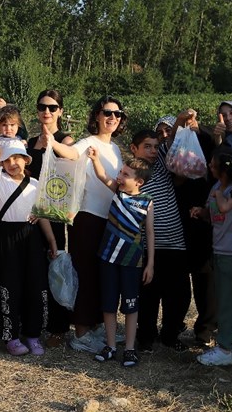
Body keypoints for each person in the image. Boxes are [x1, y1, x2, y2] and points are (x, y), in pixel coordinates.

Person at [49, 95, 128, 354]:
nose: (112, 118)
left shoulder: (115, 148)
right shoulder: (89, 142)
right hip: (87, 217)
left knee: (99, 275)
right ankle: (80, 333)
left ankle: (93, 326)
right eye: (107, 113)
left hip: (109, 220)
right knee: (85, 272)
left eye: (117, 114)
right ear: (96, 115)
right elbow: (71, 153)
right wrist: (52, 140)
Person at [85, 149, 155, 368]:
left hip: (132, 262)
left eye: (126, 175)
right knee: (108, 304)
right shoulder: (117, 192)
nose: (119, 177)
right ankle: (111, 345)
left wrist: (150, 263)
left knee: (131, 306)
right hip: (107, 258)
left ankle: (130, 349)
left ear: (139, 182)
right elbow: (102, 176)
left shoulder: (147, 202)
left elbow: (150, 233)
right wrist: (96, 159)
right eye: (121, 172)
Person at [0, 139, 58, 356]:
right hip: (6, 238)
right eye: (7, 160)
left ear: (26, 159)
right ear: (1, 164)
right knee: (9, 286)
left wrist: (52, 241)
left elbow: (43, 215)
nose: (12, 163)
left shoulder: (36, 184)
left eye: (17, 157)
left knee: (35, 286)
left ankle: (33, 335)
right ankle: (10, 336)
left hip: (32, 237)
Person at [131, 117, 192, 353]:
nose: (153, 151)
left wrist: (180, 120)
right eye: (147, 146)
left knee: (178, 294)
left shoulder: (164, 164)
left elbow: (173, 139)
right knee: (148, 293)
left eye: (155, 147)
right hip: (147, 245)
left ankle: (170, 334)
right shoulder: (130, 172)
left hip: (175, 242)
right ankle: (145, 336)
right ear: (134, 148)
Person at [26, 89, 75, 348]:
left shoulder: (65, 140)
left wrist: (52, 143)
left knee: (55, 268)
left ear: (60, 111)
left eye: (52, 107)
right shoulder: (30, 143)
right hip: (28, 216)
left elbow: (70, 162)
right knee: (33, 271)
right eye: (42, 107)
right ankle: (32, 322)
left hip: (53, 215)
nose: (47, 111)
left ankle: (58, 327)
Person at [193, 151, 232, 366]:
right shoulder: (216, 188)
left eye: (213, 163)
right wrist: (200, 211)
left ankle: (225, 348)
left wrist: (217, 196)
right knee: (223, 298)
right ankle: (227, 347)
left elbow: (225, 207)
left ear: (224, 169)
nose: (209, 165)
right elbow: (212, 214)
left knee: (229, 301)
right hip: (219, 249)